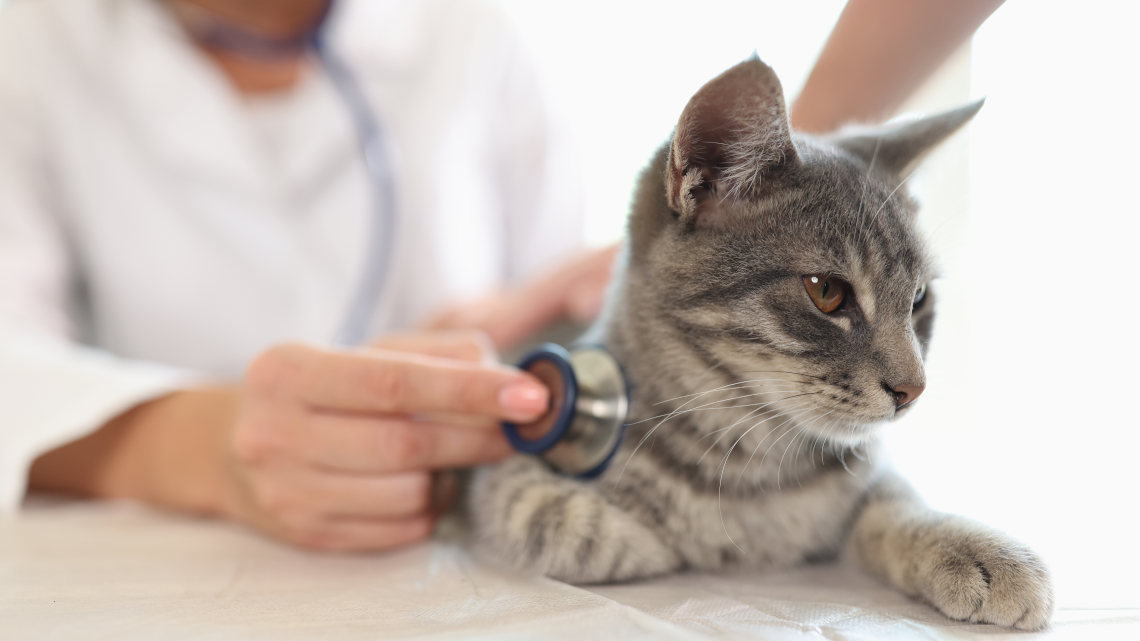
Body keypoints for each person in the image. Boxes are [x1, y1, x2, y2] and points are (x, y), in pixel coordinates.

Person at [0, 0, 612, 551]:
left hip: (446, 554)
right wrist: (215, 450)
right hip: (171, 560)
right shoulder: (32, 38)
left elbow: (563, 316)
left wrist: (516, 333)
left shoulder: (473, 33)